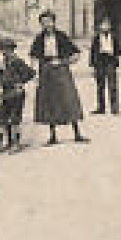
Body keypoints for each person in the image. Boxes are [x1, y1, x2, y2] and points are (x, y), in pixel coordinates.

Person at [30, 10, 87, 144]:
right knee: (49, 102)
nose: (47, 25)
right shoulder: (39, 38)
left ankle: (77, 133)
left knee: (69, 100)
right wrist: (35, 74)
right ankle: (53, 135)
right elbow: (33, 57)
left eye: (49, 21)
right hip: (45, 71)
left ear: (54, 22)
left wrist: (63, 62)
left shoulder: (61, 36)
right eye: (44, 22)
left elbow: (76, 54)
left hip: (61, 71)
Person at [0, 37, 35, 151]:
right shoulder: (3, 62)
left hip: (17, 93)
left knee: (15, 118)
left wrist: (20, 82)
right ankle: (1, 142)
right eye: (3, 49)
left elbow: (30, 73)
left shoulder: (17, 61)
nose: (5, 52)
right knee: (1, 118)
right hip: (6, 93)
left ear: (13, 49)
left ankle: (15, 143)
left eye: (8, 49)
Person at [90, 15, 121, 114]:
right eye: (103, 25)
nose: (105, 27)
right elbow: (93, 52)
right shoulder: (96, 38)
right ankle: (101, 107)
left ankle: (114, 107)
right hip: (100, 61)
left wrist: (115, 55)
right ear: (99, 27)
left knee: (112, 85)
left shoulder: (114, 37)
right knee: (100, 85)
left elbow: (119, 50)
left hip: (110, 61)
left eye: (107, 25)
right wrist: (93, 65)